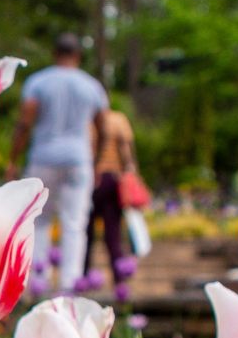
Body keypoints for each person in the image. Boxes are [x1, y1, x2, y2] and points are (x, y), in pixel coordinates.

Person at [11, 33, 108, 293]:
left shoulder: (38, 82)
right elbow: (103, 128)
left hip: (43, 158)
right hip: (78, 159)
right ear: (78, 56)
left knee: (39, 222)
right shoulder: (92, 86)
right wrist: (97, 163)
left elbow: (24, 124)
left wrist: (12, 159)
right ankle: (69, 286)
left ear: (55, 54)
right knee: (75, 224)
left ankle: (37, 283)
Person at [87, 103, 141, 297]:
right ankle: (119, 281)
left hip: (89, 179)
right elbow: (126, 150)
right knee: (113, 232)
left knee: (86, 232)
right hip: (112, 178)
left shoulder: (87, 121)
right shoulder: (118, 119)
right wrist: (131, 172)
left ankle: (83, 277)